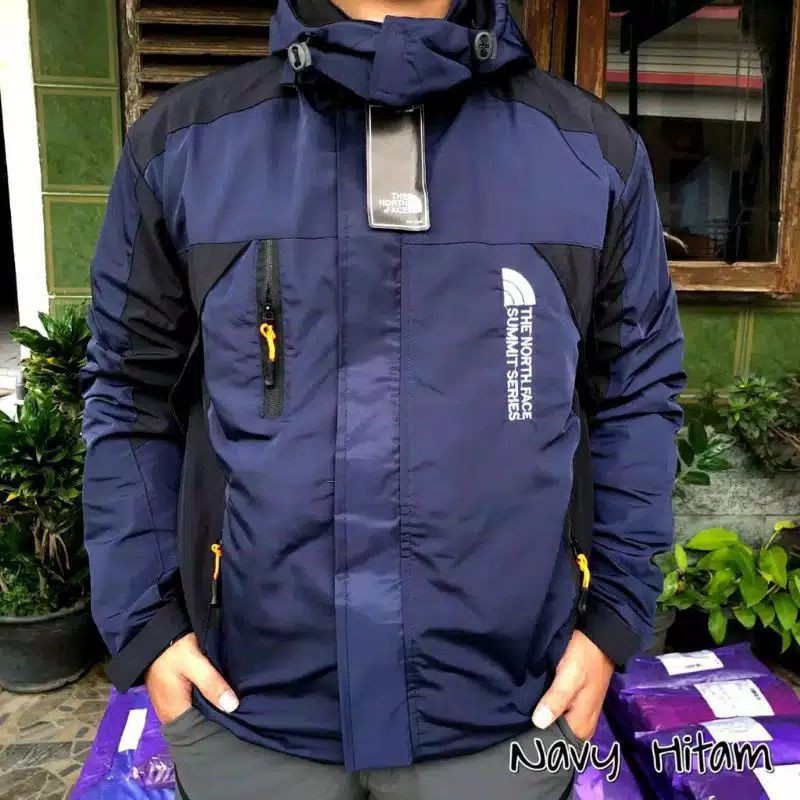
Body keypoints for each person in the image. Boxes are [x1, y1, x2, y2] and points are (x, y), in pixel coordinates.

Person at [81, 0, 685, 797]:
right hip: (250, 720)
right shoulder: (188, 146)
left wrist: (609, 624)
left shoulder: (590, 154)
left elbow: (636, 398)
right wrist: (150, 626)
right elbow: (130, 393)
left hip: (509, 717)